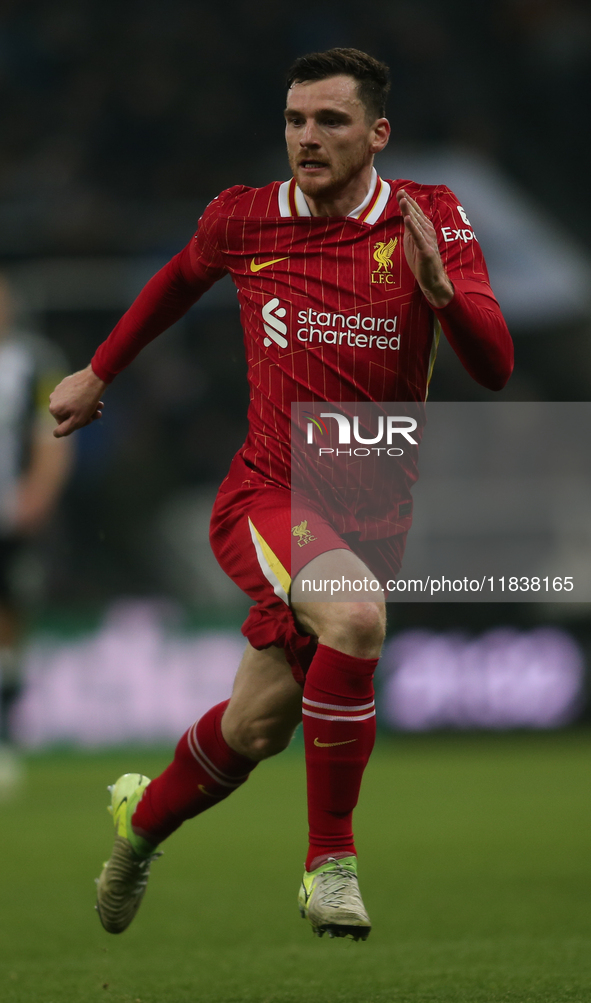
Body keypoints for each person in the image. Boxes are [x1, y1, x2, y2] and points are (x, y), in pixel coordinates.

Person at [49, 48, 513, 940]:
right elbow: (179, 278)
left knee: (256, 730)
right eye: (296, 120)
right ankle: (328, 866)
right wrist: (99, 370)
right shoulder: (245, 218)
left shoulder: (430, 218)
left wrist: (442, 295)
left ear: (376, 134)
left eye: (330, 121)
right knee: (357, 617)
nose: (307, 138)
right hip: (268, 490)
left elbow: (493, 367)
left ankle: (138, 825)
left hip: (375, 513)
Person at [0, 274, 72, 783]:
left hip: (8, 515)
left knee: (8, 621)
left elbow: (52, 433)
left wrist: (38, 494)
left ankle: (3, 741)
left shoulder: (35, 363)